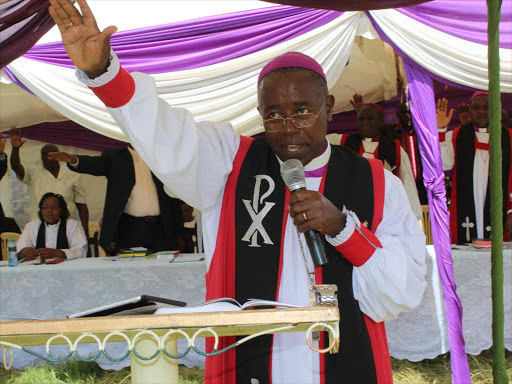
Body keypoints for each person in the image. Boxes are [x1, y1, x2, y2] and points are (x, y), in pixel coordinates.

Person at [48, 1, 426, 382]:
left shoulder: (377, 182)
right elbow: (165, 133)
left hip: (344, 364)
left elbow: (401, 293)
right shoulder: (230, 163)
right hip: (251, 366)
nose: (289, 126)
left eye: (302, 110)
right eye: (273, 114)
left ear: (327, 107)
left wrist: (344, 229)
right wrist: (103, 73)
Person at [47, 144, 184, 253]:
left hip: (161, 228)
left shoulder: (161, 157)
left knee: (163, 274)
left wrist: (179, 232)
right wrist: (72, 159)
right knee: (131, 275)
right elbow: (94, 164)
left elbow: (173, 197)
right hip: (130, 229)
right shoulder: (115, 157)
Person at [437, 93, 512, 243]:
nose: (482, 111)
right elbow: (444, 164)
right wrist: (440, 130)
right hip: (467, 206)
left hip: (501, 206)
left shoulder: (509, 137)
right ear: (470, 111)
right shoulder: (457, 135)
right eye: (476, 107)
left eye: (487, 107)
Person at [327, 103, 423, 219]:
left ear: (381, 121)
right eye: (361, 119)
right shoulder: (343, 142)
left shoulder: (395, 149)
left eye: (370, 118)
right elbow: (319, 142)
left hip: (385, 214)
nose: (365, 122)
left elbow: (407, 182)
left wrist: (414, 214)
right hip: (350, 214)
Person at [8, 127, 89, 235]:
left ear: (58, 156)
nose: (48, 157)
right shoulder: (33, 172)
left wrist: (85, 231)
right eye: (45, 154)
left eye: (51, 154)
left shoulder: (72, 176)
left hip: (66, 229)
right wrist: (15, 149)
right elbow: (16, 167)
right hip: (39, 228)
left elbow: (81, 205)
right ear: (41, 157)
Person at [17, 192, 87, 262]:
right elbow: (17, 253)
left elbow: (81, 250)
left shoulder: (73, 225)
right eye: (45, 207)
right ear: (41, 210)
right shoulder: (31, 227)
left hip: (66, 269)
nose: (49, 210)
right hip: (39, 270)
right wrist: (23, 253)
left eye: (54, 207)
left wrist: (58, 253)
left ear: (61, 210)